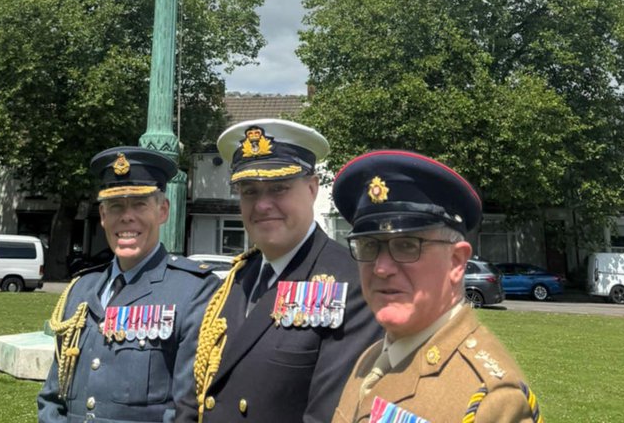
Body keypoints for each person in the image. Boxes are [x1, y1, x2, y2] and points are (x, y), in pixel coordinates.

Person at [175, 119, 380, 423]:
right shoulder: (237, 278)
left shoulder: (352, 284)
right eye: (249, 191)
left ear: (312, 188)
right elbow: (196, 395)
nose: (262, 205)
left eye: (278, 188)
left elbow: (327, 416)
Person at [330, 150, 544, 423]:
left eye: (407, 245)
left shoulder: (493, 401)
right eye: (369, 245)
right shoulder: (370, 361)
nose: (381, 268)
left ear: (456, 263)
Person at [38, 147, 220, 423]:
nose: (126, 217)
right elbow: (53, 397)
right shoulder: (80, 290)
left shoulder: (194, 291)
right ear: (102, 215)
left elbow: (189, 410)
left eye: (139, 204)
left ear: (163, 211)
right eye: (116, 206)